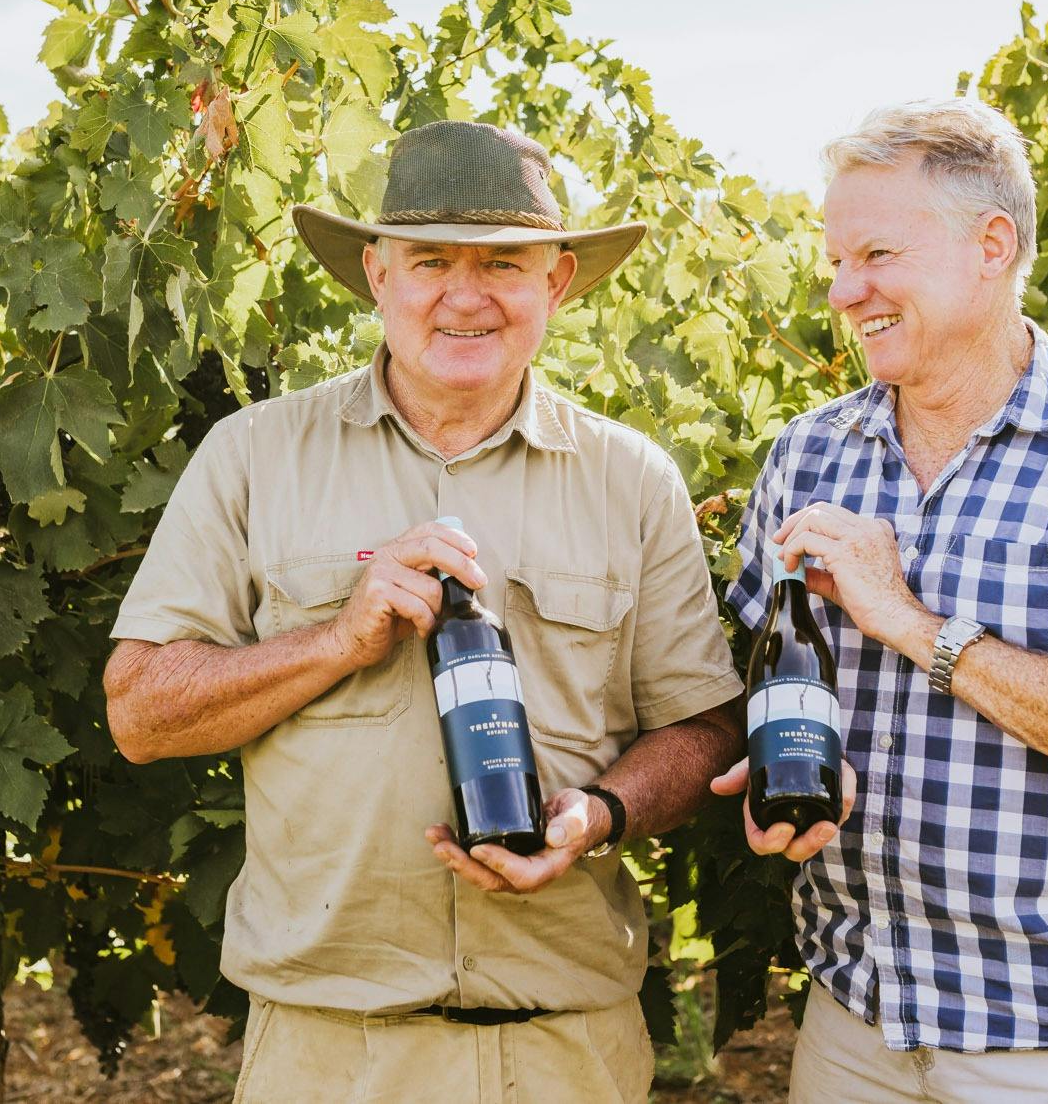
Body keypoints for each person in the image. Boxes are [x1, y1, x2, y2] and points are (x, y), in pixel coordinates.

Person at [104, 119, 746, 1104]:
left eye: (503, 263)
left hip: (566, 1051)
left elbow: (702, 726)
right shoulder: (252, 456)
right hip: (327, 1053)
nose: (464, 293)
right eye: (431, 259)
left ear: (556, 285)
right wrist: (336, 638)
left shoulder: (632, 480)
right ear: (376, 273)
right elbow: (140, 711)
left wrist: (600, 813)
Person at [711, 99, 1048, 1104]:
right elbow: (766, 673)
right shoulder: (808, 454)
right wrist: (787, 767)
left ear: (990, 245)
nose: (842, 288)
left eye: (874, 254)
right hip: (853, 1022)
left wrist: (909, 621)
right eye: (834, 261)